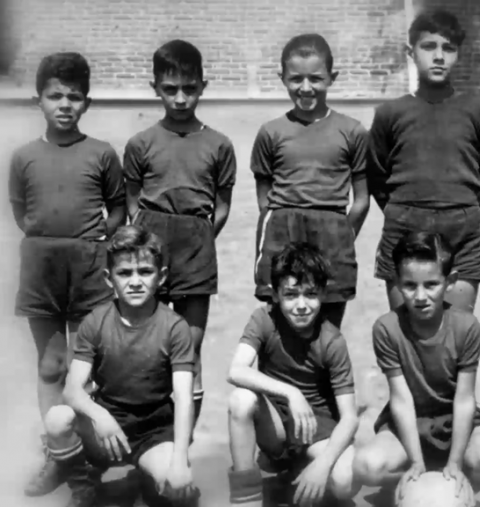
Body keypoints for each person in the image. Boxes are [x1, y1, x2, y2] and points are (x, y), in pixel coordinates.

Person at [9, 52, 126, 497]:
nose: (64, 104)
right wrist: (50, 243)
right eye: (54, 95)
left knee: (84, 366)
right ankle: (58, 455)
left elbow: (117, 208)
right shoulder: (23, 157)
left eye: (73, 97)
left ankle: (87, 459)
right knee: (51, 363)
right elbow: (21, 210)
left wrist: (90, 246)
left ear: (87, 103)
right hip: (41, 267)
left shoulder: (101, 153)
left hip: (88, 267)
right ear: (38, 100)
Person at [123, 39, 237, 425]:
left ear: (203, 85)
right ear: (155, 88)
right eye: (170, 89)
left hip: (195, 245)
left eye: (189, 88)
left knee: (189, 347)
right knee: (149, 340)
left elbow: (221, 207)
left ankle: (182, 438)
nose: (181, 98)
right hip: (151, 242)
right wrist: (151, 240)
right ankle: (152, 429)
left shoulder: (219, 144)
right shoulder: (141, 143)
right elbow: (133, 203)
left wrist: (198, 237)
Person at [42, 226, 196, 507]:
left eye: (145, 272)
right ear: (109, 279)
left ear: (160, 277)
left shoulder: (175, 328)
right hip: (107, 423)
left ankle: (151, 474)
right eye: (125, 273)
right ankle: (83, 486)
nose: (135, 282)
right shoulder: (95, 322)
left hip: (153, 430)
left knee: (177, 488)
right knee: (57, 418)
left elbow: (184, 398)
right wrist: (99, 415)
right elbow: (72, 390)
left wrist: (180, 460)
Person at [352, 232, 480, 496]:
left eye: (431, 284)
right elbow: (401, 398)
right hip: (411, 421)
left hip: (455, 421)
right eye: (409, 285)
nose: (420, 295)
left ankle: (455, 478)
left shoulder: (466, 327)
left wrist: (456, 462)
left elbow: (464, 398)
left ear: (450, 282)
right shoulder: (386, 328)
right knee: (366, 467)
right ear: (397, 283)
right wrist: (415, 461)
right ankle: (414, 478)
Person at [367, 9, 480, 313]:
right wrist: (403, 212)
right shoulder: (390, 113)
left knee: (456, 333)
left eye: (448, 48)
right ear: (411, 52)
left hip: (461, 233)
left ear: (458, 54)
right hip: (403, 228)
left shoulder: (475, 111)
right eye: (429, 47)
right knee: (405, 335)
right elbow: (376, 175)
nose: (438, 56)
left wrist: (464, 216)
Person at [227, 243, 360, 507]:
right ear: (275, 295)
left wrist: (323, 466)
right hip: (275, 425)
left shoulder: (332, 341)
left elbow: (350, 418)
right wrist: (291, 392)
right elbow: (236, 370)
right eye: (290, 295)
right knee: (241, 399)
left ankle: (301, 467)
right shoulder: (264, 319)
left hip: (316, 429)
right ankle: (246, 499)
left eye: (310, 294)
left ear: (322, 293)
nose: (301, 305)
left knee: (344, 483)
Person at [251, 34, 370, 328]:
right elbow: (265, 198)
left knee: (328, 326)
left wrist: (341, 233)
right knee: (281, 324)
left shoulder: (352, 131)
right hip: (282, 230)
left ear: (332, 77)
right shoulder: (271, 132)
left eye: (316, 79)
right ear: (282, 78)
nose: (305, 88)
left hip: (332, 232)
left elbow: (362, 200)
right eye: (296, 79)